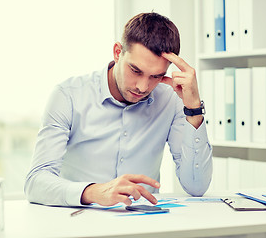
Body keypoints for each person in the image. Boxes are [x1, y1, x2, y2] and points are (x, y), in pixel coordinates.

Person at [24, 12, 213, 207]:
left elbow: (196, 187)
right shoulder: (68, 96)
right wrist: (93, 192)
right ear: (117, 52)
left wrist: (193, 108)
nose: (142, 86)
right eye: (135, 70)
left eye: (156, 76)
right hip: (79, 223)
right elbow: (36, 182)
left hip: (144, 225)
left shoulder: (171, 99)